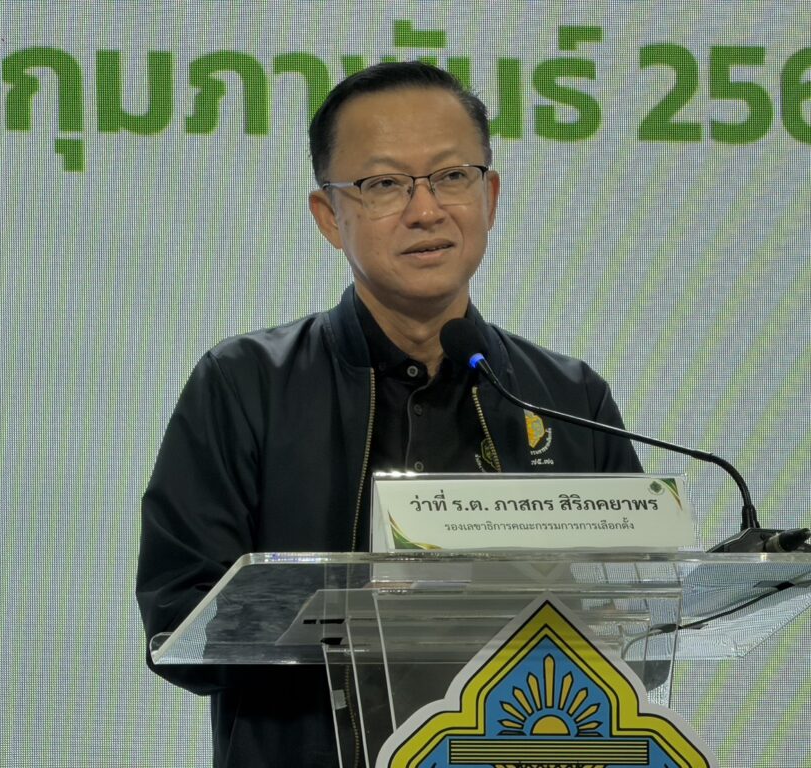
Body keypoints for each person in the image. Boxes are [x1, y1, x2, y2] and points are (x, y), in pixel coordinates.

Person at [136, 61, 642, 768]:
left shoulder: (568, 397)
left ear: (490, 197)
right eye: (383, 185)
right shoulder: (245, 385)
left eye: (452, 176)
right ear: (329, 217)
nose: (426, 210)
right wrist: (392, 606)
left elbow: (638, 626)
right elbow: (178, 620)